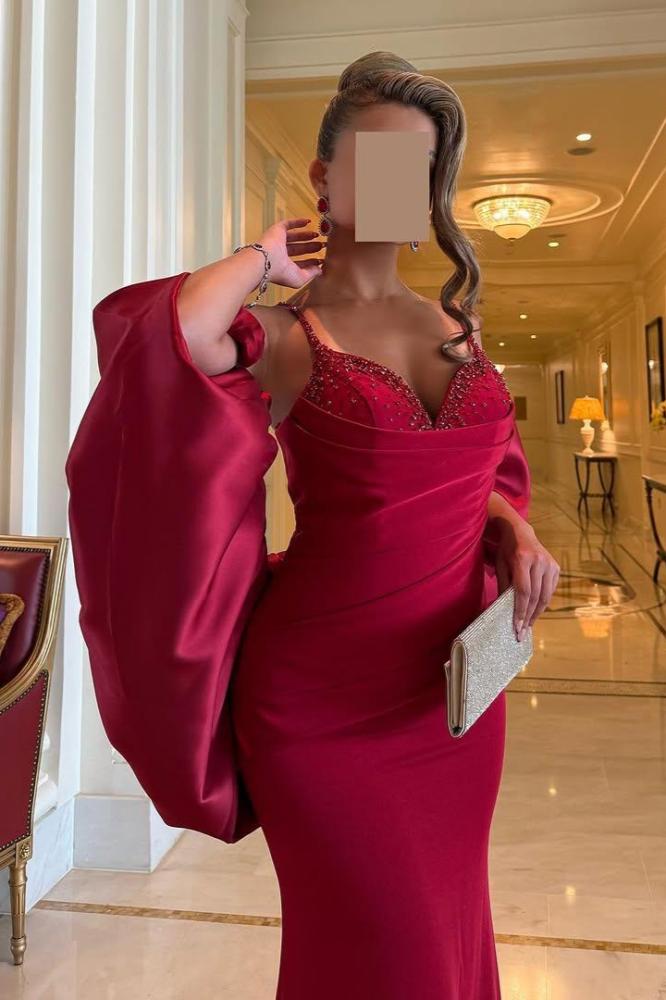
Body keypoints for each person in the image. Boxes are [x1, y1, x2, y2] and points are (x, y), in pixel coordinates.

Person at [66, 51, 559, 999]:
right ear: (326, 176)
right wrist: (262, 257)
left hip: (452, 703)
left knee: (441, 935)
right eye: (379, 162)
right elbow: (172, 338)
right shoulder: (287, 335)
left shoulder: (460, 327)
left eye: (420, 168)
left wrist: (515, 529)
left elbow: (462, 476)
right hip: (323, 701)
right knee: (381, 951)